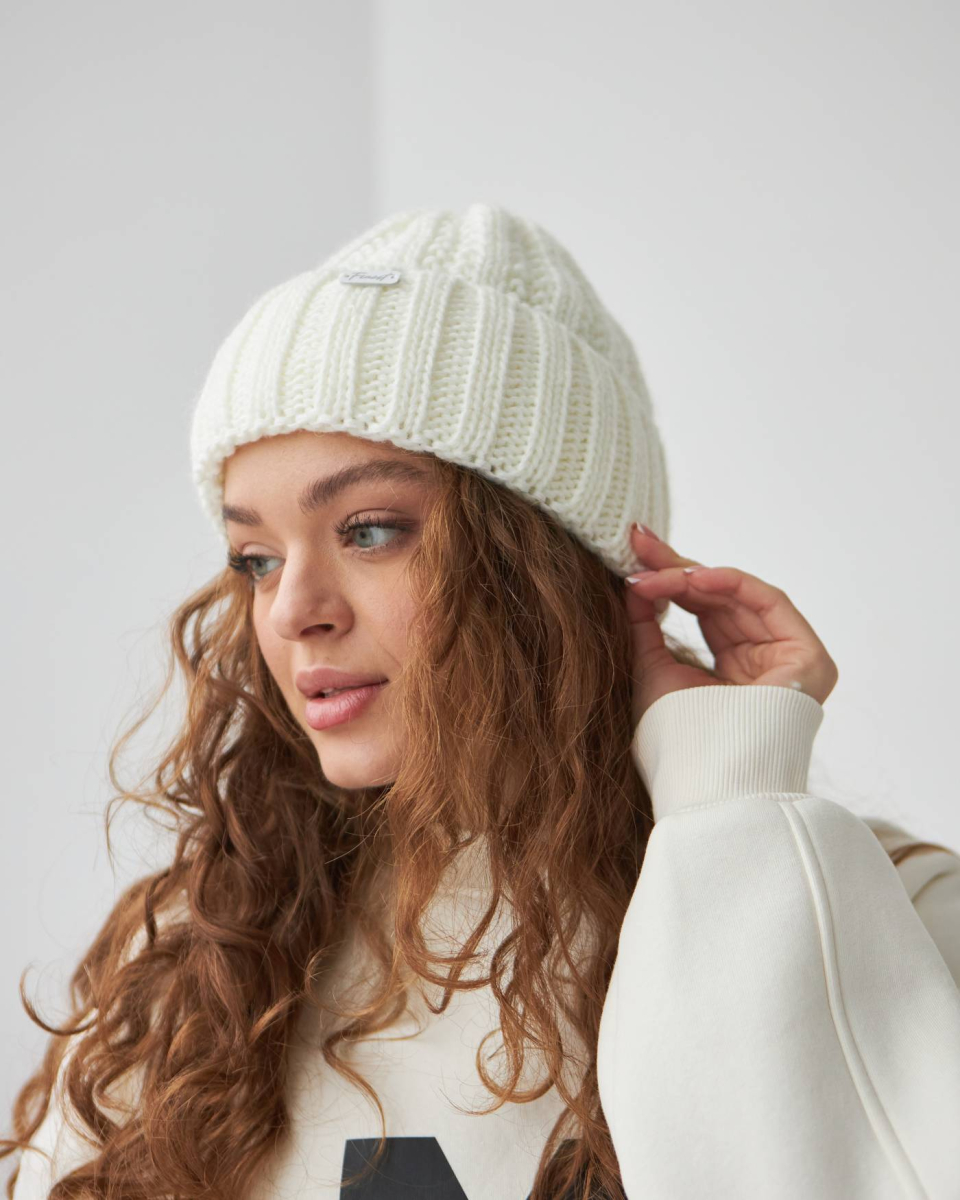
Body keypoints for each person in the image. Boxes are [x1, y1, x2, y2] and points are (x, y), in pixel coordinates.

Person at [3, 203, 959, 1200]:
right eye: (256, 558)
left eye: (370, 530)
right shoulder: (200, 952)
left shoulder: (900, 911)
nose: (291, 612)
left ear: (537, 563)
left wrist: (734, 798)